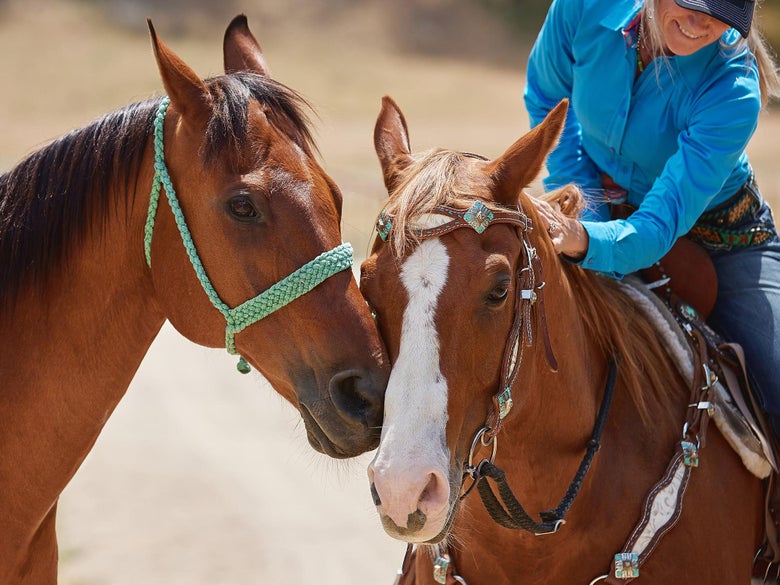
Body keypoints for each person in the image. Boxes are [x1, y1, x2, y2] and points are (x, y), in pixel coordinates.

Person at [524, 0, 780, 437]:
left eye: (720, 13)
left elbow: (658, 225)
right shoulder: (582, 6)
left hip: (722, 239)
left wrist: (584, 239)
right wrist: (588, 206)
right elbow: (549, 97)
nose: (701, 22)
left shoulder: (735, 88)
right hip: (601, 208)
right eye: (692, 2)